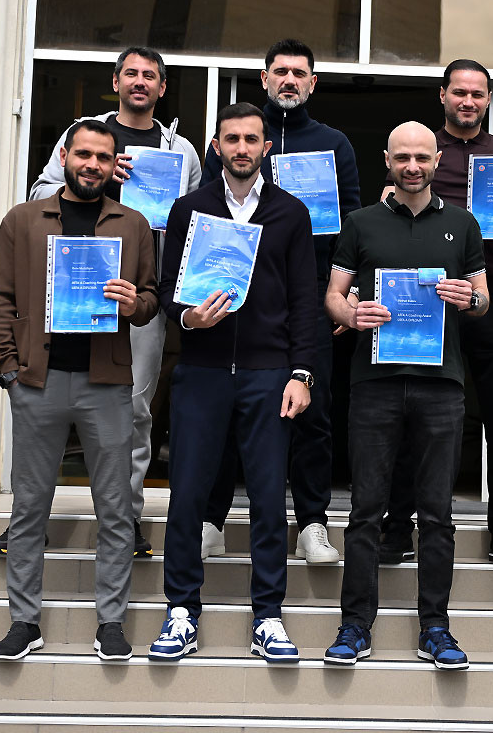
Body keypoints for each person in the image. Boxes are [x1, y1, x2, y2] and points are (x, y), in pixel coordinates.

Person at [0, 47, 201, 559]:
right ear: (116, 81)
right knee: (44, 409)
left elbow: (193, 221)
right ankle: (27, 523)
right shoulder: (85, 134)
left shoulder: (182, 151)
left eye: (150, 76)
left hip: (133, 299)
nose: (140, 82)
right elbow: (39, 192)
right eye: (131, 73)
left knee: (134, 411)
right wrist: (101, 175)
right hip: (66, 291)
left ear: (163, 88)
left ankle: (127, 518)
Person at [148, 103, 316, 663]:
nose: (241, 148)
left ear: (266, 146)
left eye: (251, 138)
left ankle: (268, 616)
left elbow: (304, 301)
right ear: (215, 145)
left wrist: (301, 374)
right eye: (231, 139)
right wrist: (187, 318)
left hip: (269, 374)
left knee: (268, 498)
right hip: (202, 370)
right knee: (187, 494)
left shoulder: (290, 212)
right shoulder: (188, 208)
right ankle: (181, 612)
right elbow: (168, 289)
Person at [0, 119, 158, 661]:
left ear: (114, 166)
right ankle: (24, 621)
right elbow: (1, 300)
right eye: (83, 154)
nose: (92, 165)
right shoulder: (23, 220)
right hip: (37, 381)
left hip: (105, 383)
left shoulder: (133, 224)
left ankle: (111, 622)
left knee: (115, 509)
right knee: (29, 508)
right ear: (64, 156)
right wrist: (9, 370)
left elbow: (151, 299)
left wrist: (134, 305)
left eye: (103, 157)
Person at [323, 122, 489, 670]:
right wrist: (353, 314)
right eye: (402, 157)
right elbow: (334, 296)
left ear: (437, 160)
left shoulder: (463, 224)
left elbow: (484, 300)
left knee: (437, 513)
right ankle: (355, 625)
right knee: (366, 510)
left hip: (441, 385)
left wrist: (468, 298)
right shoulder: (361, 222)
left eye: (422, 157)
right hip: (374, 383)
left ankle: (435, 627)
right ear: (387, 160)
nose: (412, 166)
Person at [380, 59, 493, 569]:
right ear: (443, 95)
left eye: (478, 94)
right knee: (413, 418)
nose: (468, 101)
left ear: (488, 101)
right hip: (427, 302)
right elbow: (390, 215)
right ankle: (398, 526)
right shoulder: (420, 150)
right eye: (460, 92)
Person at [199, 39, 360, 565]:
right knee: (227, 410)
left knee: (313, 413)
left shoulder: (334, 143)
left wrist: (342, 291)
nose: (289, 79)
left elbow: (352, 224)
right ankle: (212, 520)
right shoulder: (235, 140)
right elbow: (208, 213)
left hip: (310, 294)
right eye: (280, 71)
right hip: (236, 294)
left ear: (313, 83)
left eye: (299, 72)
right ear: (264, 78)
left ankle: (312, 523)